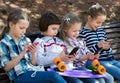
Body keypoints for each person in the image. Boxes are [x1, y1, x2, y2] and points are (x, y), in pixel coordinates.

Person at [0, 9, 67, 83]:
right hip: (19, 77)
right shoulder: (4, 43)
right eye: (21, 28)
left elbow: (33, 63)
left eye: (26, 28)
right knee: (54, 76)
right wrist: (22, 53)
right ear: (11, 25)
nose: (24, 31)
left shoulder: (26, 40)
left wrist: (33, 53)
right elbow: (6, 68)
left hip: (33, 72)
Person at [59, 13, 114, 83]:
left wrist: (92, 55)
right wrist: (87, 56)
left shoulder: (79, 40)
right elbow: (77, 58)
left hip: (86, 65)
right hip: (76, 68)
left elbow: (86, 51)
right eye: (74, 31)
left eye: (78, 30)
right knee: (98, 81)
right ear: (65, 30)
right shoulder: (65, 43)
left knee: (108, 78)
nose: (77, 33)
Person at [34, 12, 83, 83]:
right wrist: (58, 58)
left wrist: (69, 58)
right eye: (53, 29)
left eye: (57, 29)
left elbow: (64, 58)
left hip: (67, 70)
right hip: (53, 72)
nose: (56, 32)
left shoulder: (59, 41)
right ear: (44, 26)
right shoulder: (39, 42)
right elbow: (40, 62)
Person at [79, 3, 120, 83]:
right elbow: (84, 53)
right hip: (99, 62)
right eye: (98, 22)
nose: (100, 25)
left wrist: (107, 48)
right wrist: (97, 46)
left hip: (111, 60)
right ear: (90, 18)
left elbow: (108, 50)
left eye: (102, 23)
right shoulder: (82, 33)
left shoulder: (101, 31)